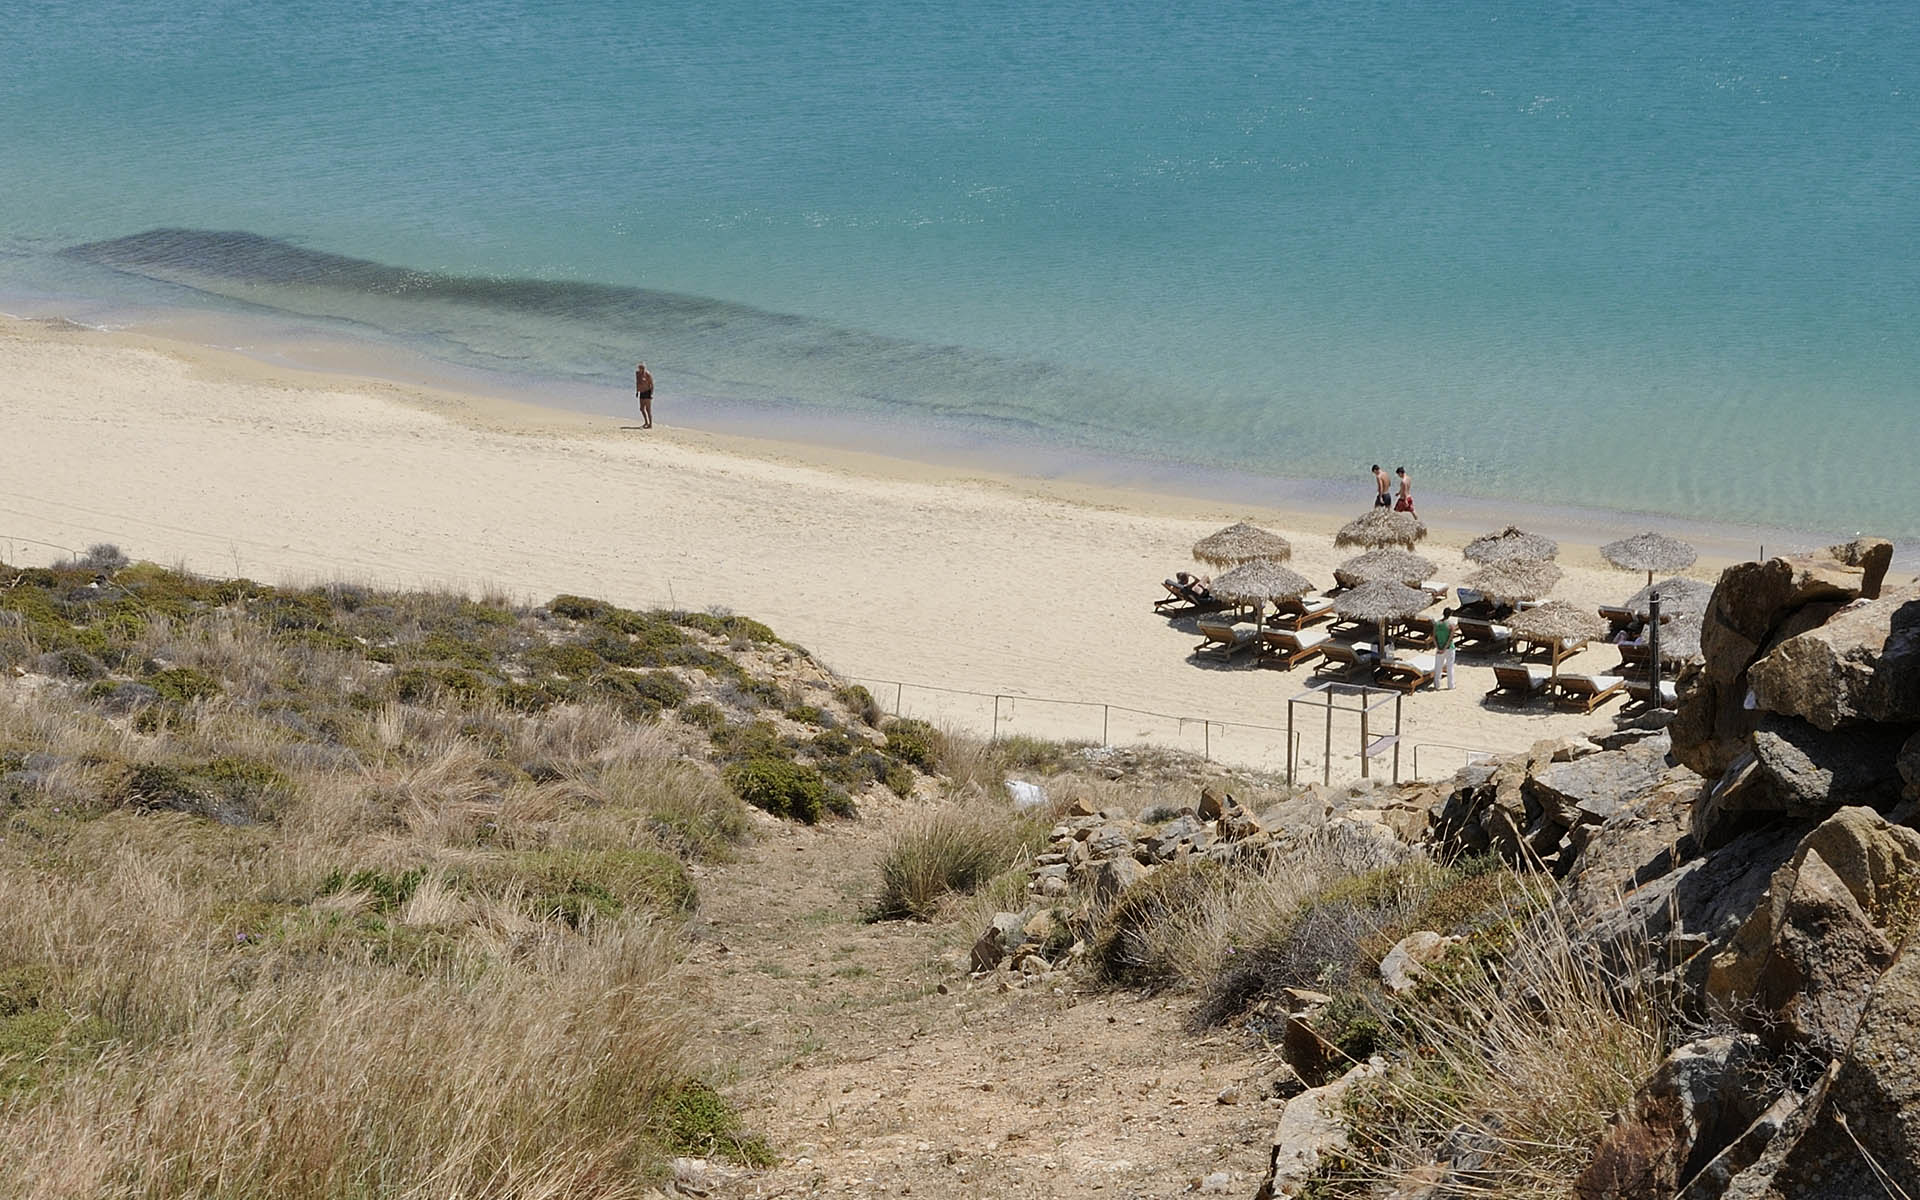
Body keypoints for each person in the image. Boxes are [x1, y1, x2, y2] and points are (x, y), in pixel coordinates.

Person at [1433, 607, 1457, 690]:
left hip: (1439, 647)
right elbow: (1450, 639)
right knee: (1450, 667)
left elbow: (1434, 637)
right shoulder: (1451, 625)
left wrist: (1438, 648)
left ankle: (1437, 685)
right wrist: (1444, 648)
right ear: (1450, 614)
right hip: (1449, 648)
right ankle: (1451, 685)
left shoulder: (1437, 623)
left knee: (1438, 667)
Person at [634, 362, 654, 429]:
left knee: (648, 409)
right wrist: (637, 391)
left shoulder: (647, 374)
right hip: (641, 393)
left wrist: (651, 394)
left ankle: (650, 424)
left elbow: (652, 385)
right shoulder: (637, 374)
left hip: (647, 392)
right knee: (642, 409)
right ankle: (646, 422)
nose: (641, 370)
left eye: (642, 368)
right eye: (640, 368)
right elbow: (637, 382)